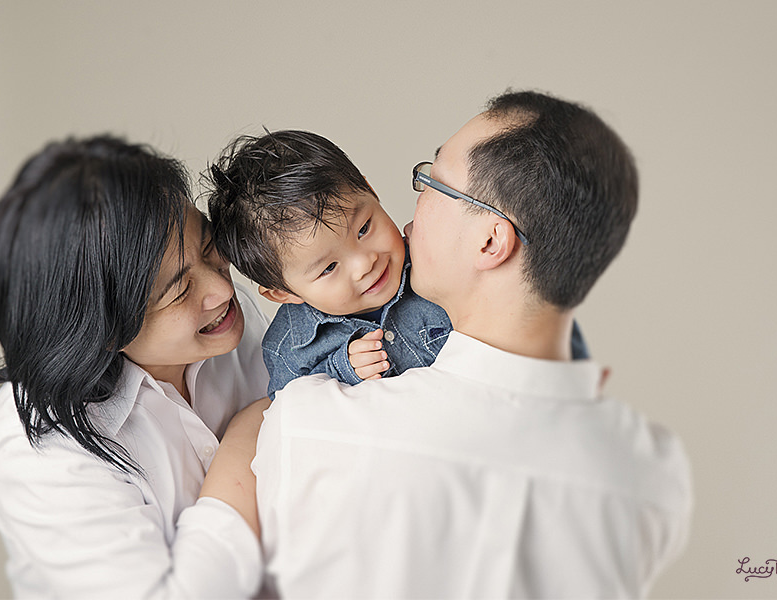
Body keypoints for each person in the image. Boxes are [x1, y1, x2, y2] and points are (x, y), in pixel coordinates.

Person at [242, 91, 693, 598]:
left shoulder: (314, 429)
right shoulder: (654, 472)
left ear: (490, 241)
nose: (415, 201)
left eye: (432, 183)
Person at [0, 136, 269, 598]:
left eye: (209, 249)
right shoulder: (41, 443)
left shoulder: (227, 318)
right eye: (178, 292)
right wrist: (247, 438)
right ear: (103, 328)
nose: (222, 291)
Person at [206, 129, 588, 400]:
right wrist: (342, 371)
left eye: (364, 228)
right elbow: (291, 421)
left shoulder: (438, 268)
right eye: (328, 269)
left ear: (371, 190)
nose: (364, 264)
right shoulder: (290, 347)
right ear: (283, 293)